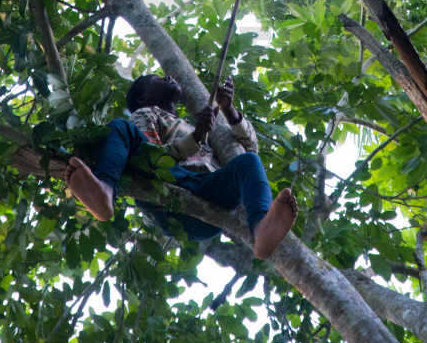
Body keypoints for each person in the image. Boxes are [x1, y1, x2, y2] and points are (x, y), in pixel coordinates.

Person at [63, 71, 298, 260]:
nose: (166, 77)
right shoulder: (147, 113)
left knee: (250, 161)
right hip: (169, 192)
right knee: (119, 127)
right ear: (144, 99)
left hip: (207, 191)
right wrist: (195, 137)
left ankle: (261, 229)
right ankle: (105, 189)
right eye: (155, 79)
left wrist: (228, 109)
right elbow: (151, 159)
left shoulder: (193, 125)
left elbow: (250, 148)